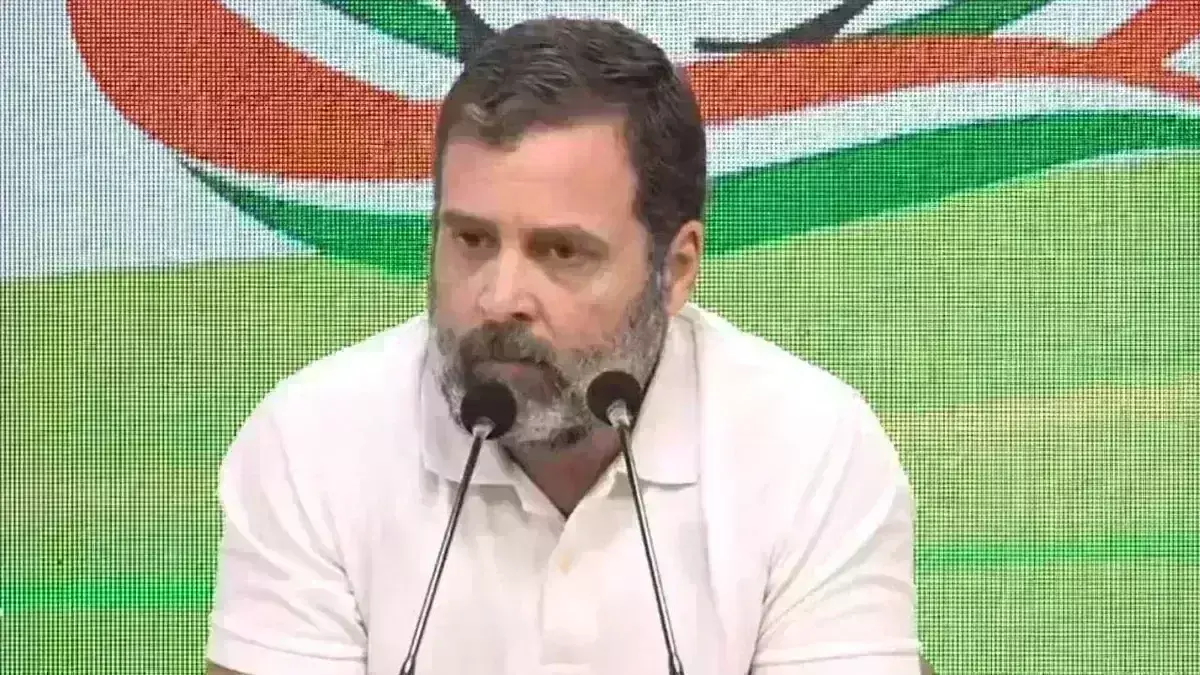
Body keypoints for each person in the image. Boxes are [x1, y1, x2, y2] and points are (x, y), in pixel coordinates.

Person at [205, 17, 923, 675]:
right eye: (471, 240)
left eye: (561, 252)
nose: (498, 298)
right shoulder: (313, 442)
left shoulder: (812, 451)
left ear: (675, 270)